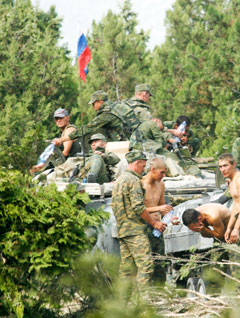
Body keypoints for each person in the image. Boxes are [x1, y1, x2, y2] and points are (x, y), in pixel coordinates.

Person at [111, 150, 166, 292]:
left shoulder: (120, 180)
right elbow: (138, 207)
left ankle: (121, 305)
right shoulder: (133, 180)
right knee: (146, 266)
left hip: (123, 229)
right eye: (142, 165)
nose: (144, 169)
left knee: (127, 270)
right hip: (135, 230)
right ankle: (144, 304)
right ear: (136, 163)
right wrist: (154, 223)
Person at [53, 91, 126, 148]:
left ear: (100, 102)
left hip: (123, 143)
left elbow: (88, 128)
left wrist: (62, 139)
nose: (93, 107)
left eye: (93, 104)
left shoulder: (106, 114)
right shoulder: (117, 107)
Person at [32, 108, 81, 172]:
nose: (58, 120)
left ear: (68, 118)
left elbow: (65, 153)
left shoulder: (69, 130)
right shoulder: (63, 133)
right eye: (56, 119)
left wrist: (48, 165)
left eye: (61, 118)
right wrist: (43, 165)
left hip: (74, 164)